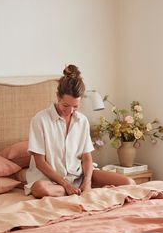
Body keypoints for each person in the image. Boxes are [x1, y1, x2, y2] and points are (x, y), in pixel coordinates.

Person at [25, 64, 134, 198]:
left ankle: (82, 189)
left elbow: (87, 157)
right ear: (58, 96)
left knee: (129, 182)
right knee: (39, 189)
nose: (70, 111)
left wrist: (87, 182)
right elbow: (40, 163)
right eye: (66, 105)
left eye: (75, 106)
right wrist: (66, 185)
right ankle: (77, 191)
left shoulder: (82, 121)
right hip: (51, 182)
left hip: (79, 177)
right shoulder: (40, 120)